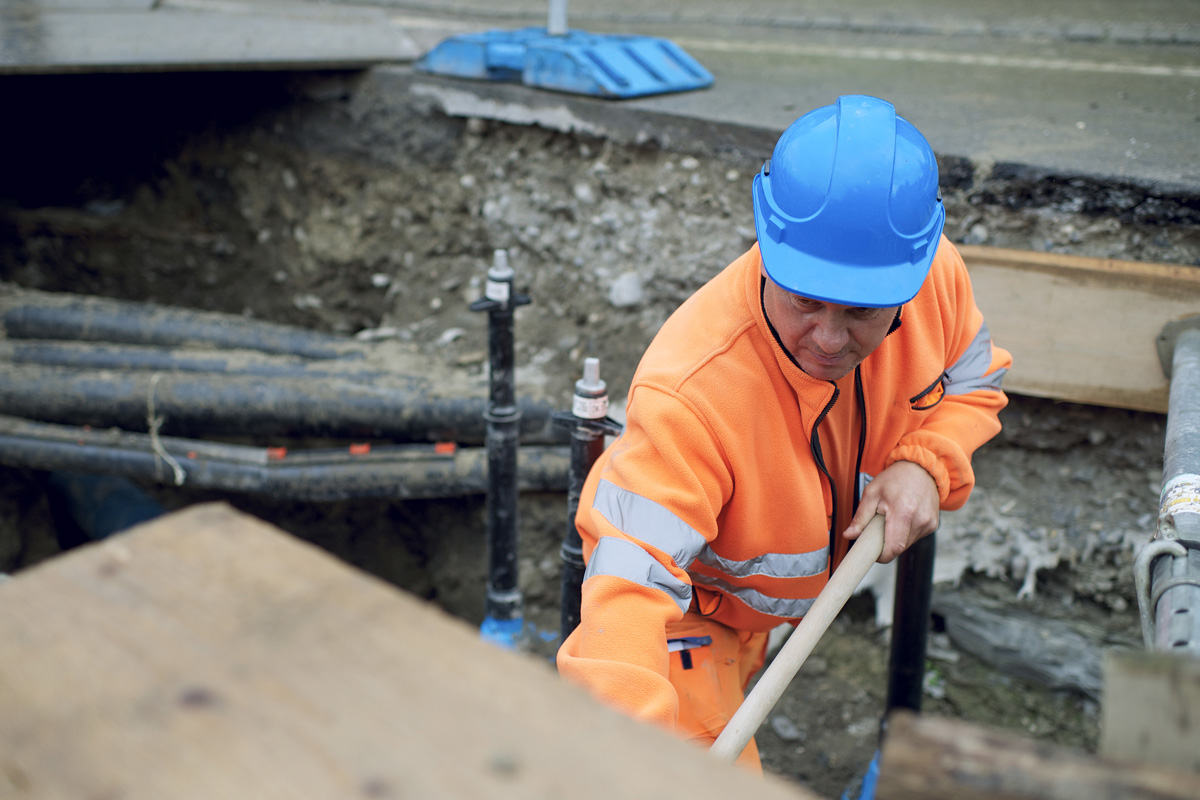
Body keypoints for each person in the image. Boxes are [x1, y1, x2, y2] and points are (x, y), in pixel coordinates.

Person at [556, 95, 1011, 769]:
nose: (828, 338)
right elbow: (628, 592)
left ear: (909, 280)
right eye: (804, 299)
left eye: (860, 313)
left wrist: (924, 461)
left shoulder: (932, 276)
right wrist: (633, 759)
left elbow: (974, 386)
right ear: (769, 248)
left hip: (765, 624)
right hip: (690, 619)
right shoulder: (692, 390)